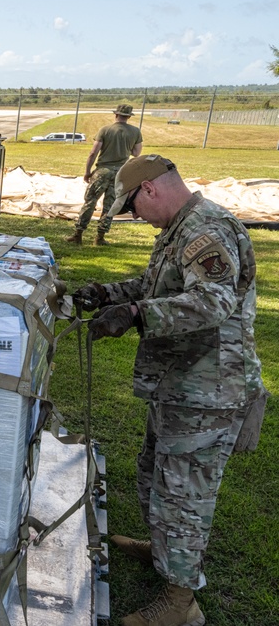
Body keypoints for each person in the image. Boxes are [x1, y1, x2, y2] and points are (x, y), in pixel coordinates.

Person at [74, 154, 266, 626]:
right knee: (155, 473)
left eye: (132, 208)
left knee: (184, 496)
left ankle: (180, 604)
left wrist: (138, 315)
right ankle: (164, 550)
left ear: (151, 191)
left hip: (209, 392)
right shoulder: (180, 229)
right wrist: (109, 294)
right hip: (182, 383)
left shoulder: (206, 232)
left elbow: (211, 302)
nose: (134, 217)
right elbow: (157, 284)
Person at [66, 104, 143, 245]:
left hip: (102, 171)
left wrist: (87, 171)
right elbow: (136, 153)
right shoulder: (135, 132)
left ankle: (78, 234)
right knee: (110, 205)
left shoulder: (105, 130)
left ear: (116, 114)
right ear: (129, 116)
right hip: (120, 173)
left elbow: (93, 152)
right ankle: (100, 237)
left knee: (90, 202)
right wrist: (125, 147)